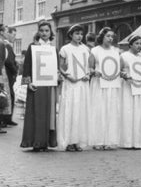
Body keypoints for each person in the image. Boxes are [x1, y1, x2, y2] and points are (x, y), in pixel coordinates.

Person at [20, 21, 59, 152]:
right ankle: (36, 142)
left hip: (49, 86)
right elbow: (26, 66)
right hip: (36, 85)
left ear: (51, 32)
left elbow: (56, 67)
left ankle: (46, 142)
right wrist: (28, 82)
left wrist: (58, 77)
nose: (44, 33)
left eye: (47, 31)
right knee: (36, 113)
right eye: (41, 30)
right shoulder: (32, 47)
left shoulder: (53, 48)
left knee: (48, 113)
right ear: (38, 32)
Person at [58, 24, 91, 152]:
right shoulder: (65, 49)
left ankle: (78, 141)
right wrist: (67, 76)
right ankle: (69, 141)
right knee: (71, 110)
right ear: (71, 35)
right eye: (76, 33)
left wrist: (88, 74)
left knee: (81, 111)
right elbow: (61, 66)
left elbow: (89, 66)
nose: (79, 36)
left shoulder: (86, 49)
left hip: (82, 84)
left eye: (81, 34)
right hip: (71, 83)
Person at [88, 27, 121, 150]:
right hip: (99, 84)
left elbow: (119, 67)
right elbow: (89, 68)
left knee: (111, 111)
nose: (110, 38)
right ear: (102, 37)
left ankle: (110, 140)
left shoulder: (116, 51)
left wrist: (121, 73)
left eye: (112, 36)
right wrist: (94, 72)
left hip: (113, 84)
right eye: (108, 36)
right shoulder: (95, 51)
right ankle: (98, 140)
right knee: (99, 110)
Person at [120, 35, 141, 149]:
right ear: (130, 44)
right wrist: (124, 75)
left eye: (140, 43)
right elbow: (118, 71)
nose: (139, 46)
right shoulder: (124, 56)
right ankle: (128, 141)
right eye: (136, 43)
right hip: (129, 88)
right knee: (129, 113)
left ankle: (140, 141)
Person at [0, 26, 19, 128]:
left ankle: (7, 119)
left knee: (9, 96)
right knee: (7, 96)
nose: (14, 37)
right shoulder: (7, 45)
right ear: (8, 34)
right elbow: (9, 61)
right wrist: (16, 71)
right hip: (7, 74)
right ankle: (3, 120)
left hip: (8, 74)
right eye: (13, 34)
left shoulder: (8, 45)